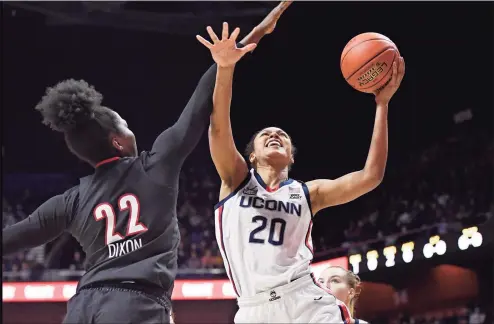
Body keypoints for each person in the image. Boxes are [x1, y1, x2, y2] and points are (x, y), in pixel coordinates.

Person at [2, 3, 289, 323]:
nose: (130, 127)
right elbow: (198, 107)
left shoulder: (72, 200)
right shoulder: (157, 164)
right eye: (125, 124)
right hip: (135, 303)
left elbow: (16, 236)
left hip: (82, 307)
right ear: (118, 140)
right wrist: (242, 47)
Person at [204, 19, 405, 322]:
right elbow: (218, 126)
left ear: (291, 158)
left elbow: (370, 177)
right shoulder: (236, 180)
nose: (275, 135)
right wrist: (225, 68)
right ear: (252, 156)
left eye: (282, 136)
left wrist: (382, 105)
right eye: (266, 135)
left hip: (303, 300)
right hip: (252, 309)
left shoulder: (308, 192)